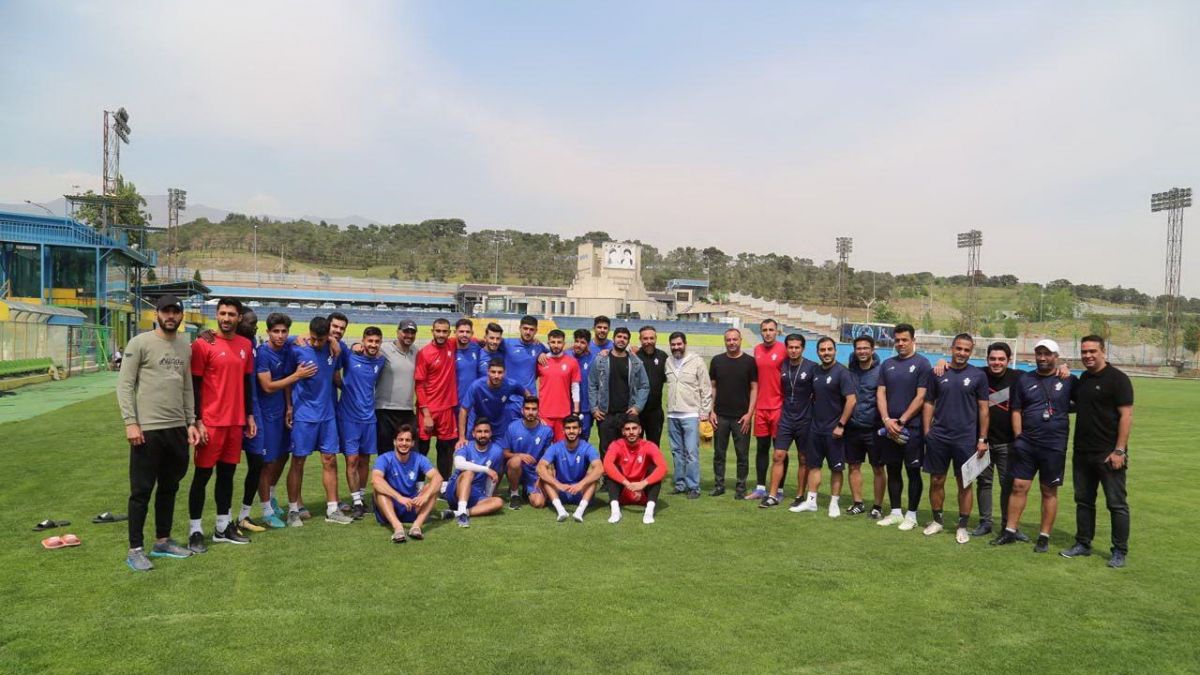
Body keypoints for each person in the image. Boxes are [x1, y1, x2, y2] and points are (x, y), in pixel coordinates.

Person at [118, 294, 200, 571]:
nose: (171, 316)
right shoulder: (139, 343)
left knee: (169, 487)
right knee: (141, 491)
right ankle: (135, 549)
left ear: (181, 316)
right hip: (148, 429)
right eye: (166, 311)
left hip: (177, 429)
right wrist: (131, 422)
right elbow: (125, 385)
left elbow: (187, 387)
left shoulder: (185, 346)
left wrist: (191, 422)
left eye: (175, 312)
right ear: (157, 314)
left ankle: (162, 541)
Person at [993, 339, 1076, 552]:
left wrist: (1066, 368)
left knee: (1049, 490)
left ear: (1056, 356)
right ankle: (1010, 531)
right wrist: (1019, 437)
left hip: (1054, 445)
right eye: (1039, 353)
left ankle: (1044, 536)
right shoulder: (1024, 379)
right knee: (1018, 487)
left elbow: (1084, 403)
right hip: (1027, 444)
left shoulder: (1068, 380)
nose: (1042, 357)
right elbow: (1016, 410)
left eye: (1047, 354)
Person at [188, 297, 256, 551]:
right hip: (211, 423)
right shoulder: (203, 344)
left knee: (227, 477)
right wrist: (198, 420)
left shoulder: (245, 345)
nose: (226, 318)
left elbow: (246, 383)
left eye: (231, 314)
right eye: (223, 313)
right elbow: (194, 385)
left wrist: (249, 415)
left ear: (239, 317)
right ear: (217, 315)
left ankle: (222, 528)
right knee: (202, 476)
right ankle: (195, 530)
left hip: (235, 422)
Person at [1060, 335, 1133, 568]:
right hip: (1083, 453)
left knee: (1116, 504)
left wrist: (1119, 450)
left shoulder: (1118, 379)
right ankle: (1083, 543)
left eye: (1092, 351)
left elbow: (1126, 416)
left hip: (1109, 454)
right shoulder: (1083, 379)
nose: (1088, 355)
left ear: (1103, 351)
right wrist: (1064, 371)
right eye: (1084, 352)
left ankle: (1119, 551)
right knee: (1083, 501)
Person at [921, 333, 989, 543]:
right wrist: (927, 431)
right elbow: (929, 402)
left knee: (964, 483)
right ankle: (937, 521)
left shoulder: (978, 376)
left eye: (966, 350)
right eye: (958, 348)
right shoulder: (938, 372)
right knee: (936, 480)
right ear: (952, 348)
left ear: (971, 352)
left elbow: (984, 409)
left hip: (965, 439)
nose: (962, 353)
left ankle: (962, 526)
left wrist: (982, 439)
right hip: (939, 437)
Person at [287, 316, 352, 526]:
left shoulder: (334, 349)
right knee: (298, 461)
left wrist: (332, 342)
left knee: (330, 460)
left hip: (327, 415)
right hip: (304, 415)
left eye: (320, 340)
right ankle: (293, 510)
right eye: (313, 338)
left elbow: (346, 356)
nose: (316, 343)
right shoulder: (297, 348)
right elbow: (281, 342)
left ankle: (332, 509)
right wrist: (289, 406)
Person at [252, 312, 314, 528]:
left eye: (283, 331)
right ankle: (266, 511)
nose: (280, 335)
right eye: (275, 331)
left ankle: (271, 497)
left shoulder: (287, 345)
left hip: (282, 412)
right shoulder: (263, 354)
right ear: (267, 332)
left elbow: (306, 335)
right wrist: (297, 376)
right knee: (267, 463)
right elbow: (268, 386)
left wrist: (289, 406)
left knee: (283, 456)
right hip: (265, 414)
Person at [876, 323, 932, 531]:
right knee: (893, 469)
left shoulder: (922, 364)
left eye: (904, 340)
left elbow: (921, 396)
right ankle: (895, 512)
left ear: (913, 340)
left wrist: (901, 421)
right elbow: (881, 392)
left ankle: (912, 515)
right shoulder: (887, 364)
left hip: (912, 429)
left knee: (913, 471)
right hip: (889, 428)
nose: (900, 343)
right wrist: (886, 420)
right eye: (897, 340)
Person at [792, 337, 856, 517]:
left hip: (834, 430)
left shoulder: (842, 372)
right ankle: (811, 501)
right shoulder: (815, 371)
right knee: (813, 465)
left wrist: (841, 425)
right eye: (822, 350)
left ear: (835, 351)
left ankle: (834, 503)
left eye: (829, 349)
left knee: (836, 468)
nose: (826, 353)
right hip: (815, 428)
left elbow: (851, 401)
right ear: (817, 352)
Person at [336, 326, 387, 519]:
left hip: (369, 418)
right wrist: (344, 387)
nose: (373, 345)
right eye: (370, 341)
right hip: (349, 417)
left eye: (377, 341)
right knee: (352, 460)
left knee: (365, 459)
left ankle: (362, 498)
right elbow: (335, 366)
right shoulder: (350, 356)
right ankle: (356, 501)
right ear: (363, 341)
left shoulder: (380, 361)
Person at [764, 334, 817, 509]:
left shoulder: (812, 367)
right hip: (786, 418)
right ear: (786, 348)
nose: (793, 350)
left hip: (805, 419)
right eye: (790, 347)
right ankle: (772, 495)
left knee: (803, 458)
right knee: (778, 455)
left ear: (803, 348)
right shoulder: (782, 365)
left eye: (797, 347)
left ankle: (800, 495)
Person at [708, 327, 758, 499]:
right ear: (725, 341)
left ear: (740, 340)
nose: (731, 342)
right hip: (720, 416)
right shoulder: (717, 361)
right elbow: (713, 387)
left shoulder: (750, 362)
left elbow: (754, 389)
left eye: (734, 339)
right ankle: (719, 485)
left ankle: (741, 488)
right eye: (728, 340)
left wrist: (749, 414)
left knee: (742, 455)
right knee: (719, 454)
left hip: (741, 418)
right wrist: (711, 411)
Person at [372, 425, 443, 543]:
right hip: (390, 506)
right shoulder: (384, 458)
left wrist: (425, 496)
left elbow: (438, 478)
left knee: (432, 488)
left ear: (412, 443)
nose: (404, 443)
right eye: (400, 440)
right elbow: (376, 480)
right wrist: (399, 497)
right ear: (394, 442)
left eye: (407, 440)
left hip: (411, 504)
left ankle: (416, 527)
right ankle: (398, 528)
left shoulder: (419, 458)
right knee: (379, 490)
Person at [233, 310, 269, 535]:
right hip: (232, 413)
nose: (255, 326)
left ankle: (243, 516)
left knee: (257, 463)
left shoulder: (252, 341)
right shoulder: (228, 341)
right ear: (239, 321)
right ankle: (223, 521)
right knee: (225, 469)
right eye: (251, 322)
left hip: (253, 412)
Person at [588, 326, 649, 455]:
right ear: (613, 338)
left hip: (627, 413)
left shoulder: (636, 362)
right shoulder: (600, 360)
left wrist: (637, 407)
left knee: (627, 451)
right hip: (606, 414)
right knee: (607, 450)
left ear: (628, 341)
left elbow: (644, 386)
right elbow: (592, 384)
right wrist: (594, 408)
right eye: (619, 337)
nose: (622, 340)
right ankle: (607, 469)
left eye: (625, 338)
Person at [664, 331, 711, 499]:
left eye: (679, 344)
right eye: (673, 344)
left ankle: (693, 487)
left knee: (691, 453)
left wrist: (705, 412)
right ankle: (680, 484)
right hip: (672, 415)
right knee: (677, 452)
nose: (676, 347)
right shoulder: (668, 362)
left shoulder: (697, 361)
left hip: (691, 414)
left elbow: (706, 388)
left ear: (685, 344)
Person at [846, 335, 886, 517]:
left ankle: (877, 506)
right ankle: (858, 503)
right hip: (853, 427)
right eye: (859, 348)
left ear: (872, 350)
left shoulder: (881, 371)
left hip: (874, 428)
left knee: (878, 468)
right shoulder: (850, 370)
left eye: (865, 348)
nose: (862, 351)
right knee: (853, 466)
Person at [415, 317, 459, 480]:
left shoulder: (451, 345)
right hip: (428, 409)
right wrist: (426, 414)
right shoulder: (424, 353)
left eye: (444, 331)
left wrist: (483, 341)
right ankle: (419, 484)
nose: (441, 334)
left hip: (447, 408)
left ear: (449, 332)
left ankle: (444, 485)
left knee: (446, 448)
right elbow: (419, 386)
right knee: (422, 448)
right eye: (438, 331)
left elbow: (469, 338)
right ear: (432, 331)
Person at [603, 415, 668, 524]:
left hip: (643, 492)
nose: (631, 432)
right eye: (627, 429)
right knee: (612, 470)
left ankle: (649, 511)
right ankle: (615, 511)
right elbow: (607, 464)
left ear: (640, 430)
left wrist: (643, 483)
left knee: (654, 469)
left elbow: (663, 468)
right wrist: (627, 483)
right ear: (623, 432)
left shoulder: (649, 445)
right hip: (623, 491)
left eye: (634, 428)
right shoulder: (616, 445)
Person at [538, 415, 604, 522]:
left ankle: (580, 511)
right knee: (546, 474)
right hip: (560, 491)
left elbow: (600, 468)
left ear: (580, 430)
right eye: (568, 428)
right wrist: (558, 485)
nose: (571, 431)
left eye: (574, 428)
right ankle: (560, 510)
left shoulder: (587, 447)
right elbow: (540, 467)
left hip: (581, 491)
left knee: (594, 475)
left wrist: (580, 484)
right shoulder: (555, 447)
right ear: (563, 430)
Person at [441, 419, 506, 528]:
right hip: (455, 491)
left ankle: (458, 513)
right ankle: (462, 512)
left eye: (486, 431)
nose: (483, 435)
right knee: (469, 473)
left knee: (498, 502)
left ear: (491, 433)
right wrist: (486, 469)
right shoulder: (464, 445)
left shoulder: (497, 451)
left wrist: (488, 497)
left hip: (476, 495)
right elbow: (459, 464)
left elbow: (493, 477)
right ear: (473, 433)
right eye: (479, 431)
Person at [749, 319, 787, 501]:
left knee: (779, 450)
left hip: (778, 406)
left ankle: (779, 490)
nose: (768, 333)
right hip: (761, 408)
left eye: (771, 329)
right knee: (761, 449)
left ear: (777, 331)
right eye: (764, 330)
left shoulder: (784, 349)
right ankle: (760, 488)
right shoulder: (757, 349)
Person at [502, 397, 555, 510]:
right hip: (516, 469)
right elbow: (505, 453)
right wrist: (519, 455)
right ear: (522, 410)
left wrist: (543, 476)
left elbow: (548, 458)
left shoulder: (546, 431)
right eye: (527, 409)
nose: (530, 412)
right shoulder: (512, 427)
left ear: (538, 411)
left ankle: (527, 491)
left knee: (539, 503)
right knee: (516, 461)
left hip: (534, 473)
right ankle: (514, 494)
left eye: (534, 409)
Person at [375, 319, 418, 454]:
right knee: (385, 451)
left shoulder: (416, 352)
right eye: (406, 332)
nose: (409, 335)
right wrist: (355, 346)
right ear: (398, 332)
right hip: (385, 410)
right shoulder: (384, 349)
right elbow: (367, 347)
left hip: (407, 410)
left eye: (412, 332)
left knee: (411, 451)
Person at [459, 359, 526, 444]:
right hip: (478, 425)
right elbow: (464, 410)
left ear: (505, 373)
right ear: (487, 372)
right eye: (493, 372)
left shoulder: (511, 384)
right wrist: (461, 437)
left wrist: (530, 412)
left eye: (500, 372)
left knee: (501, 451)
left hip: (498, 427)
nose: (496, 376)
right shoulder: (476, 386)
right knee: (470, 450)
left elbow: (527, 395)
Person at [537, 329, 581, 440]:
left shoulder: (572, 362)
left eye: (559, 342)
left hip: (564, 414)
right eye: (553, 342)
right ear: (548, 343)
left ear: (564, 344)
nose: (556, 345)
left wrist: (576, 411)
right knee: (543, 447)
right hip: (544, 414)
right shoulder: (541, 361)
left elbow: (575, 387)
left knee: (561, 447)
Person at [635, 326, 668, 448]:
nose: (648, 341)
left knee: (653, 447)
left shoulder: (663, 356)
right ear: (640, 339)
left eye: (651, 338)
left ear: (656, 338)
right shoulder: (634, 357)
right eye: (645, 338)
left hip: (655, 412)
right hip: (636, 412)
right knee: (634, 447)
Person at [502, 315, 548, 395]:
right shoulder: (507, 343)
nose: (528, 332)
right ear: (520, 328)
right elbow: (487, 343)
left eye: (531, 329)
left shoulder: (539, 346)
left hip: (530, 396)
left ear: (536, 331)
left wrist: (543, 353)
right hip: (510, 395)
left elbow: (556, 353)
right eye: (525, 328)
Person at [570, 328, 597, 442]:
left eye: (582, 342)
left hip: (586, 409)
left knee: (583, 440)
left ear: (588, 344)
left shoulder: (594, 359)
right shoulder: (566, 355)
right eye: (576, 341)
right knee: (567, 439)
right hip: (567, 407)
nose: (578, 345)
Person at [453, 318, 481, 420]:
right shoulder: (450, 350)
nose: (465, 334)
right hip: (454, 404)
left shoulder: (477, 348)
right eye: (461, 331)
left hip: (473, 403)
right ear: (455, 332)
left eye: (468, 332)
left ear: (472, 333)